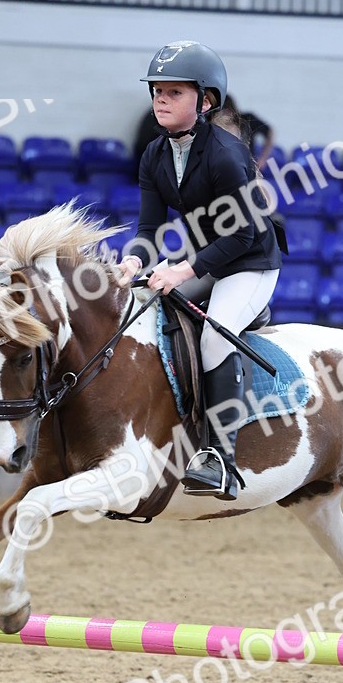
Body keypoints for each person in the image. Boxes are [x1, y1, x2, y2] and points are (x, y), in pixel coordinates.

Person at [118, 41, 282, 502]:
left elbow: (244, 236)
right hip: (209, 257)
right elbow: (150, 227)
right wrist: (134, 258)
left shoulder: (227, 155)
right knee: (144, 306)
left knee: (213, 335)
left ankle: (220, 459)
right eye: (157, 91)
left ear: (205, 101)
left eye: (174, 92)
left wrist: (182, 269)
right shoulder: (154, 154)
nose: (160, 100)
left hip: (250, 261)